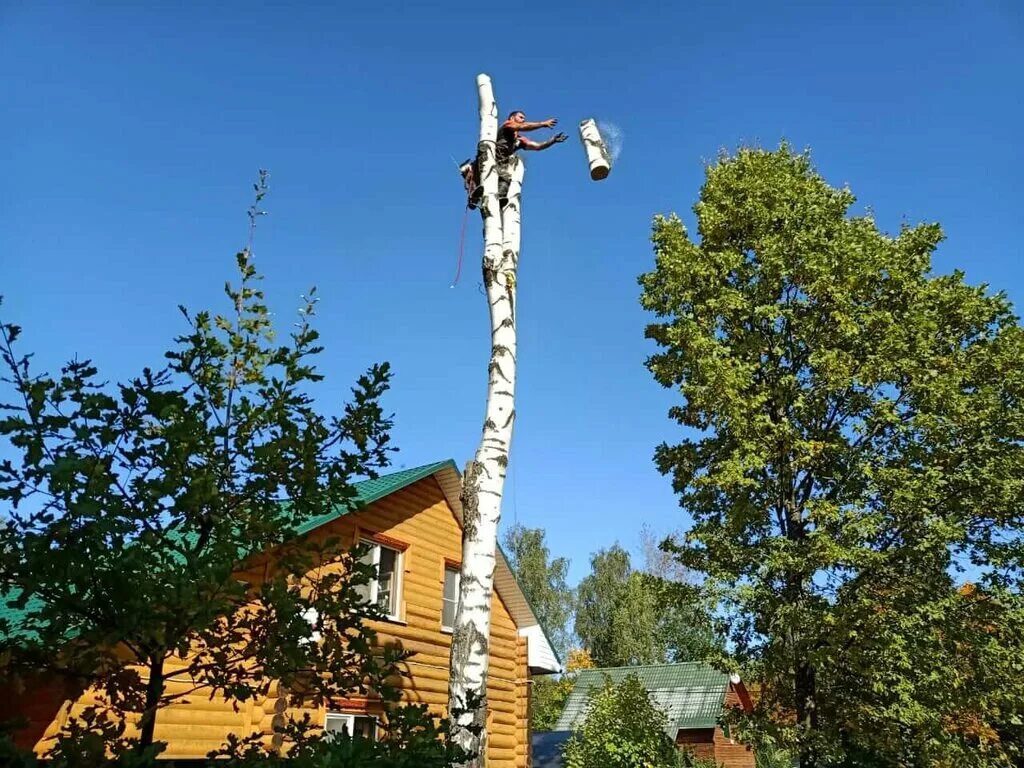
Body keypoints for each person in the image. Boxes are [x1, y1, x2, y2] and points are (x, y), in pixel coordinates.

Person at [460, 111, 567, 209]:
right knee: (481, 176)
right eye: (520, 117)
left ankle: (499, 200)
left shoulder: (520, 140)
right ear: (512, 118)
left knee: (506, 180)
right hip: (487, 159)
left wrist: (552, 141)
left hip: (500, 165)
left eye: (524, 118)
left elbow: (537, 146)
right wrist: (543, 124)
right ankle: (474, 195)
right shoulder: (507, 125)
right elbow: (523, 126)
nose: (523, 119)